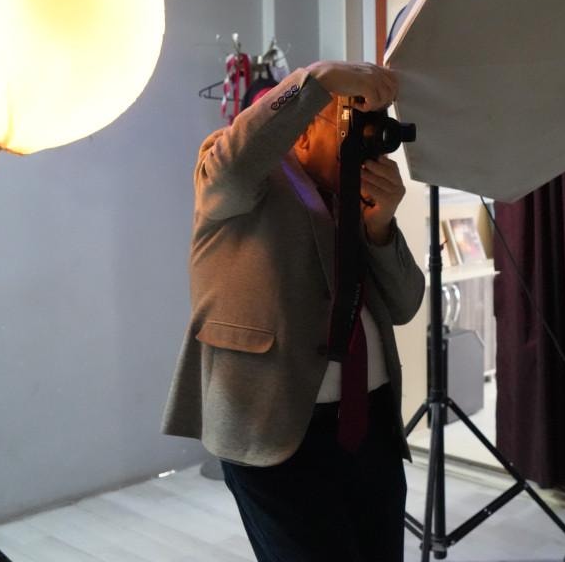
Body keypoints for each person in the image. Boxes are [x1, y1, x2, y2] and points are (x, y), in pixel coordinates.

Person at [162, 60, 425, 561]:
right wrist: (317, 80)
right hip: (273, 427)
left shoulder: (356, 198)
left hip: (369, 425)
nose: (368, 142)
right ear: (301, 134)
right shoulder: (241, 176)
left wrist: (380, 228)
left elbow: (406, 303)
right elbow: (234, 166)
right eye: (352, 124)